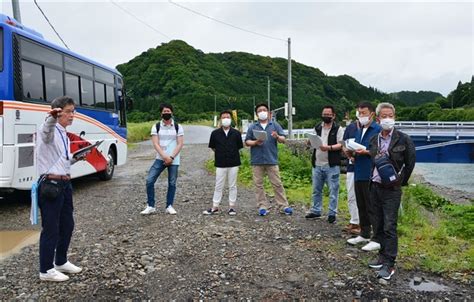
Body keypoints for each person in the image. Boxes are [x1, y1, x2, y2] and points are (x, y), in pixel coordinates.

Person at [36, 96, 84, 282]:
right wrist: (51, 117)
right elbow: (47, 130)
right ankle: (45, 270)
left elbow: (60, 160)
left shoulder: (63, 132)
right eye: (69, 111)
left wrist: (76, 157)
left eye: (73, 111)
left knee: (67, 224)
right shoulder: (47, 128)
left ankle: (61, 261)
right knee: (51, 228)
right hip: (51, 185)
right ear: (58, 111)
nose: (72, 115)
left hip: (64, 184)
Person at [367, 102, 416, 280]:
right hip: (375, 187)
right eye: (384, 116)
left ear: (394, 117)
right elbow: (372, 161)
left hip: (391, 190)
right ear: (378, 118)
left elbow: (410, 164)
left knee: (389, 226)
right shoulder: (374, 139)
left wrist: (400, 182)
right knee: (378, 224)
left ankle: (390, 263)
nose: (388, 119)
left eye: (391, 116)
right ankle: (382, 255)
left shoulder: (404, 139)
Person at [245, 103, 293, 216]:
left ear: (268, 112)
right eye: (260, 110)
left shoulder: (274, 125)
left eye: (264, 110)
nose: (262, 112)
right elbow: (247, 141)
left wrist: (277, 136)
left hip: (271, 159)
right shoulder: (253, 127)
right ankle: (262, 206)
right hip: (257, 160)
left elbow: (283, 139)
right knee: (258, 184)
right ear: (257, 114)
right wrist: (255, 142)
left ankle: (283, 206)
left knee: (277, 183)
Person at [346, 102, 382, 251]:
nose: (361, 116)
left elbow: (379, 150)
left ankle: (377, 237)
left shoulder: (378, 129)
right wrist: (351, 153)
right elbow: (357, 148)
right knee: (360, 203)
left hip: (371, 172)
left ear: (372, 114)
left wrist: (366, 152)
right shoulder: (359, 130)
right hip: (358, 170)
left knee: (371, 205)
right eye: (359, 113)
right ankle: (364, 233)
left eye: (364, 113)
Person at [141, 103, 184, 215]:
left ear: (172, 112)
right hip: (160, 158)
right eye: (164, 111)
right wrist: (165, 157)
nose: (166, 113)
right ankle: (151, 206)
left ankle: (169, 205)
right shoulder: (156, 126)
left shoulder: (178, 127)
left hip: (174, 159)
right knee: (149, 180)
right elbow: (155, 144)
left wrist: (171, 157)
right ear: (161, 113)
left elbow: (180, 144)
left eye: (168, 111)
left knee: (172, 183)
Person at [305, 105, 344, 224]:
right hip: (317, 163)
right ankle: (316, 210)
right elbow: (312, 141)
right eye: (324, 114)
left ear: (333, 116)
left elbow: (341, 144)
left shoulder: (338, 129)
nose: (326, 116)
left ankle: (332, 213)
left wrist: (328, 148)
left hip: (331, 164)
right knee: (316, 189)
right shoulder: (317, 127)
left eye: (328, 114)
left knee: (333, 190)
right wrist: (309, 142)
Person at [204, 110, 244, 215]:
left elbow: (239, 146)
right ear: (220, 120)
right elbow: (213, 147)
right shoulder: (215, 133)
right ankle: (215, 206)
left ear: (231, 119)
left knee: (232, 185)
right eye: (224, 117)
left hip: (234, 162)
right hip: (220, 162)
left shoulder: (236, 133)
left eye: (228, 117)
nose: (226, 119)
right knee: (218, 185)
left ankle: (231, 207)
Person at [342, 117, 361, 234]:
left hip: (365, 167)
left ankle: (363, 224)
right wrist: (348, 154)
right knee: (351, 195)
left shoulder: (374, 128)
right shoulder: (350, 127)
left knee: (364, 197)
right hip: (351, 166)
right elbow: (344, 144)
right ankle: (354, 221)